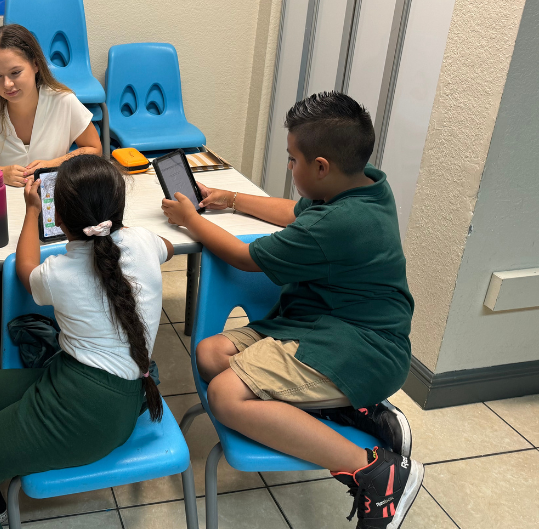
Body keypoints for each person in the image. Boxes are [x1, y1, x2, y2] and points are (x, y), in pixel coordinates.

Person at [161, 92, 423, 529]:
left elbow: (246, 258)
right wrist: (231, 199)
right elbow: (293, 211)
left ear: (320, 167)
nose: (288, 166)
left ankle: (378, 472)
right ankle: (346, 409)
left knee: (226, 396)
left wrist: (191, 221)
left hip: (365, 349)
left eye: (292, 159)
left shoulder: (340, 224)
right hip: (321, 325)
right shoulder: (364, 184)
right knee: (210, 354)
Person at [0, 155, 173, 529]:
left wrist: (31, 210)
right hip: (100, 389)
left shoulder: (60, 273)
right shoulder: (144, 242)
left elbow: (24, 267)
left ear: (57, 219)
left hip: (86, 409)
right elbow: (167, 247)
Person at [0, 24, 102, 373]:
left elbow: (93, 149)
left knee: (63, 267)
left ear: (36, 66)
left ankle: (62, 345)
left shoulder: (63, 102)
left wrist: (55, 163)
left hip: (50, 214)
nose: (7, 85)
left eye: (15, 73)